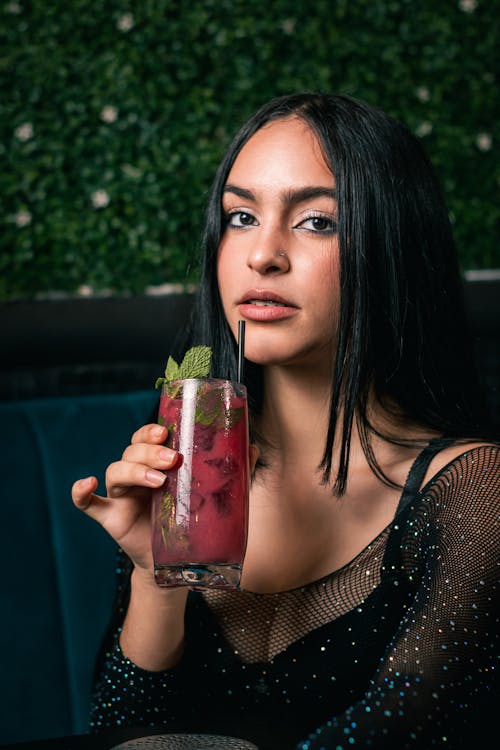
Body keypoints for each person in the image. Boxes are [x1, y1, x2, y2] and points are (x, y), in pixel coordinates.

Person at [72, 93, 499, 749]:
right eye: (241, 216)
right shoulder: (186, 462)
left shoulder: (472, 488)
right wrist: (154, 575)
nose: (262, 254)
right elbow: (120, 734)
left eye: (317, 222)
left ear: (392, 247)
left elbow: (399, 729)